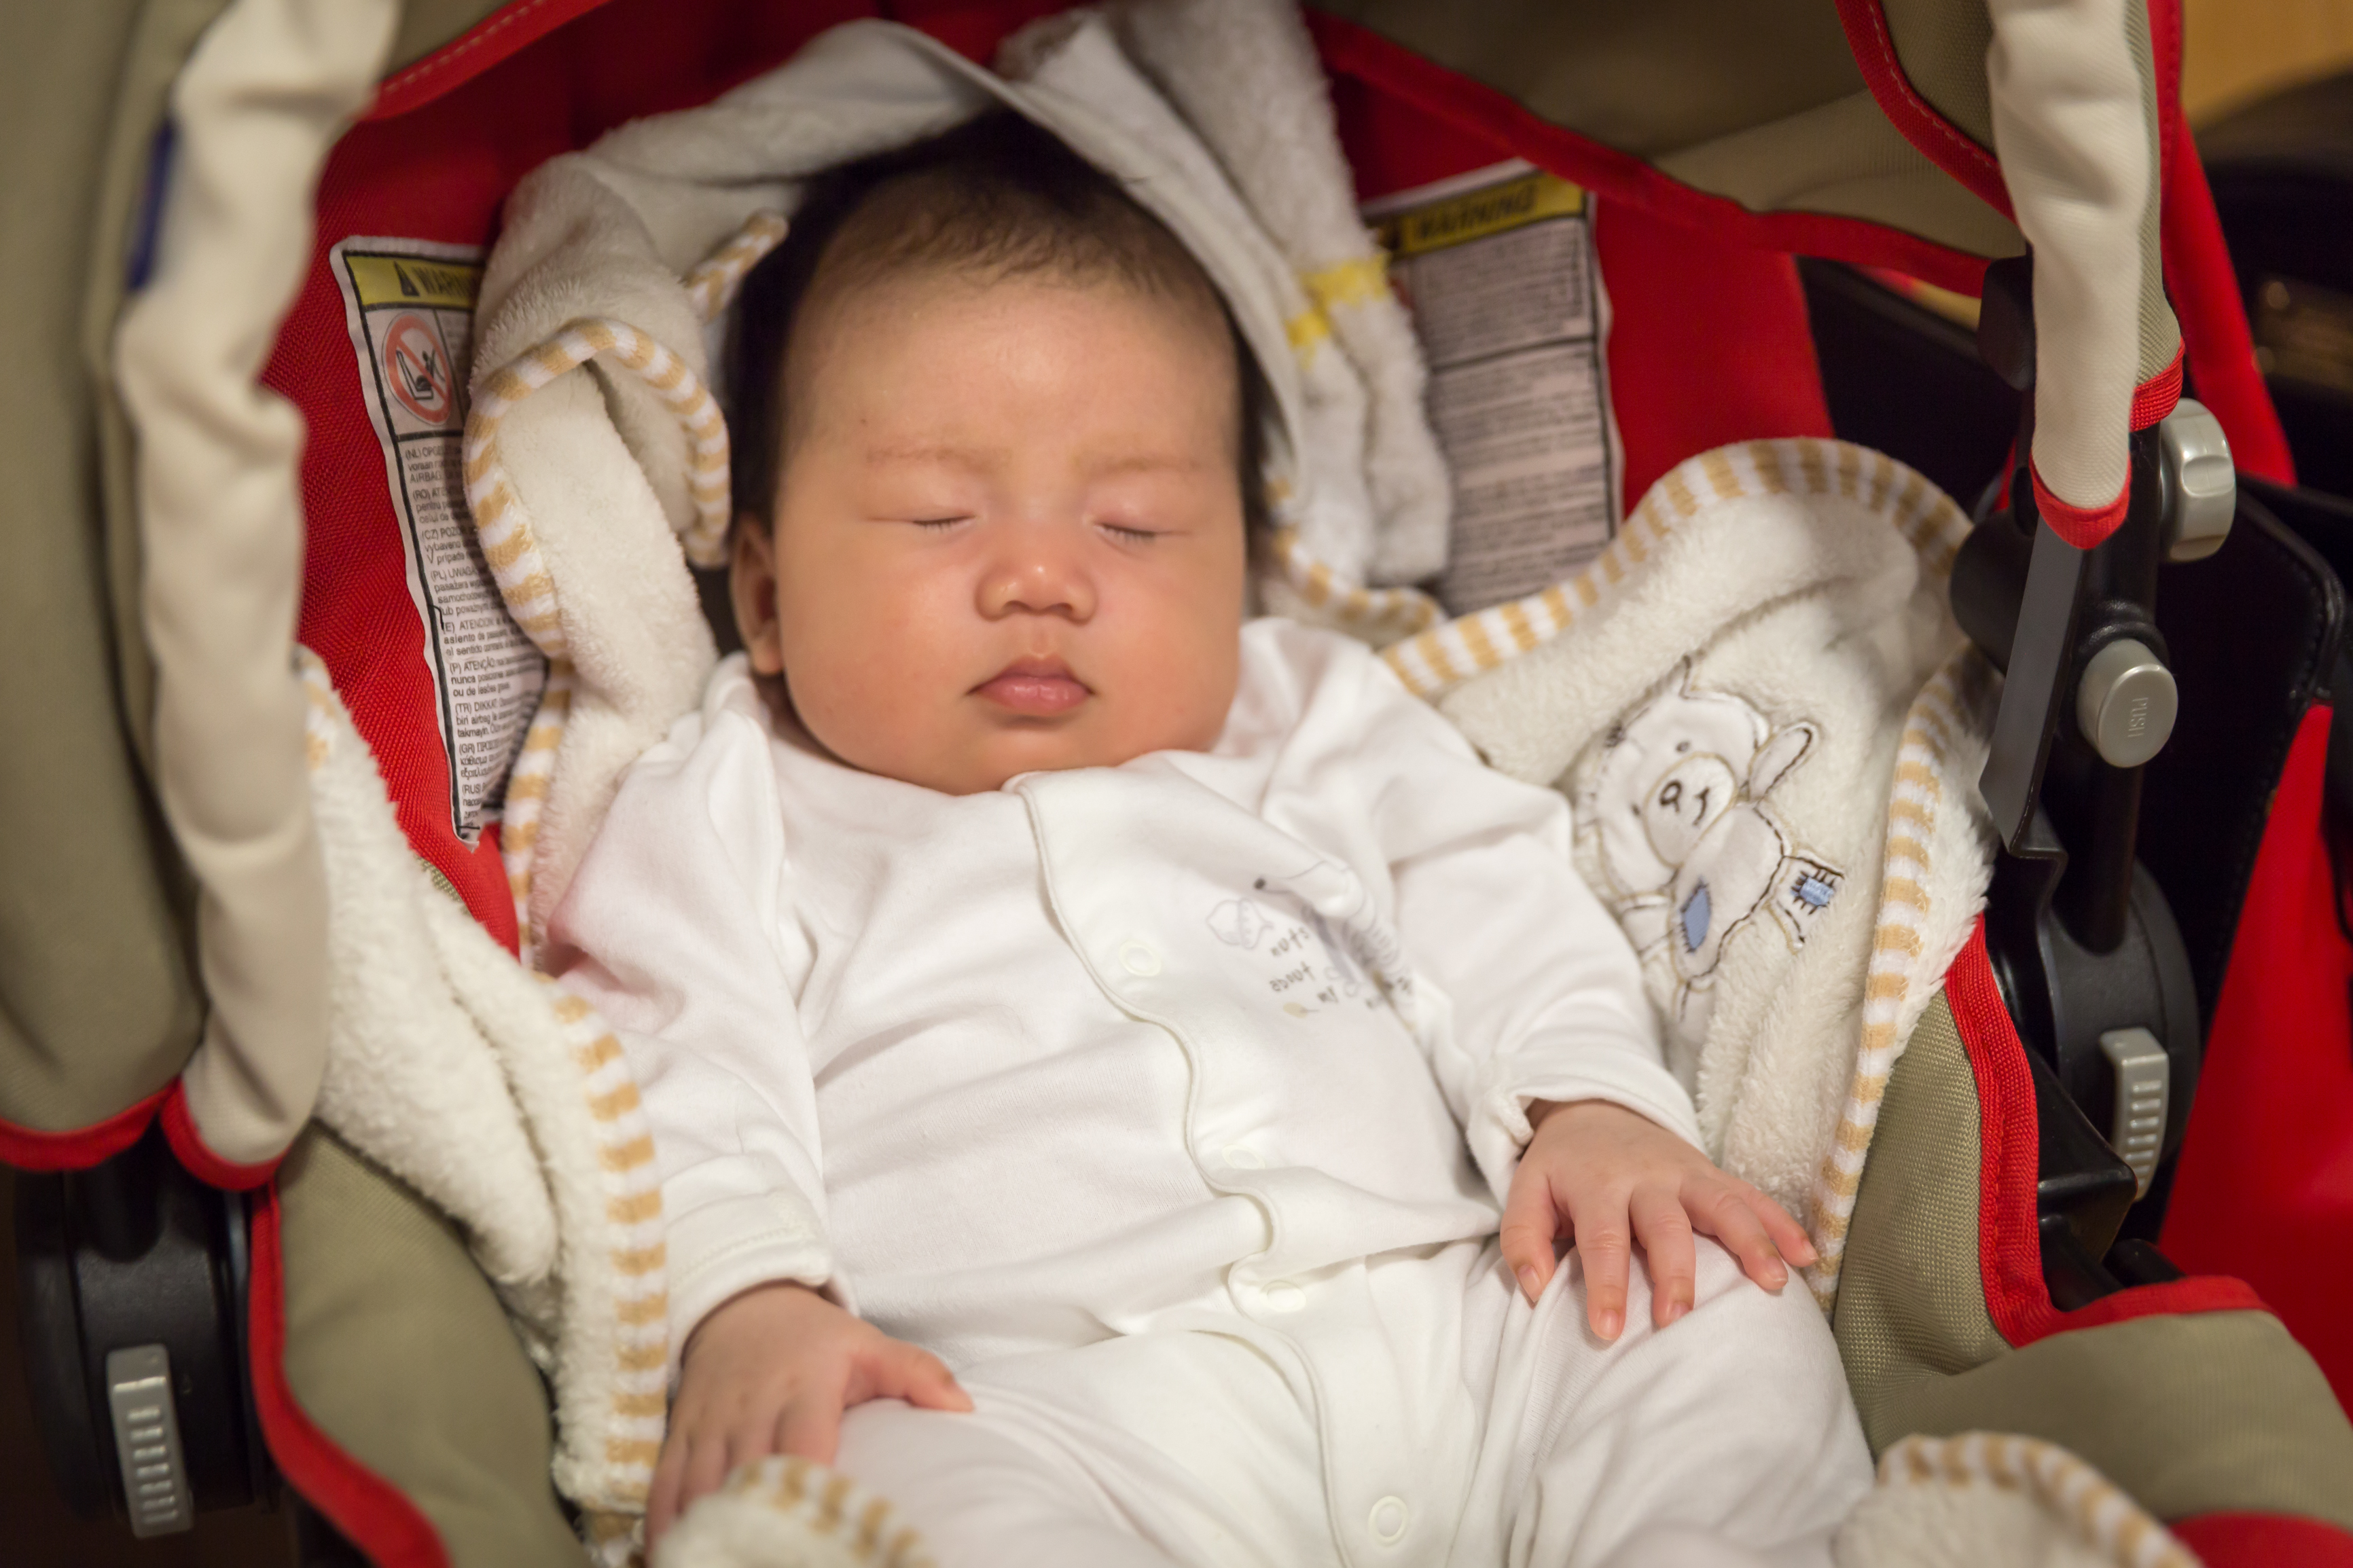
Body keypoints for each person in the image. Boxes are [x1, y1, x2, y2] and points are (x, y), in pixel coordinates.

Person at [546, 112, 1871, 1568]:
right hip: (1037, 1409)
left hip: (1461, 1326)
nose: (1041, 577)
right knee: (841, 1485)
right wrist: (751, 1298)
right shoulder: (729, 800)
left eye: (1132, 525)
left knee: (1709, 1301)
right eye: (937, 513)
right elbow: (673, 1059)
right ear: (765, 594)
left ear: (1242, 564)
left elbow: (1492, 888)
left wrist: (1588, 1104)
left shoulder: (1308, 716)